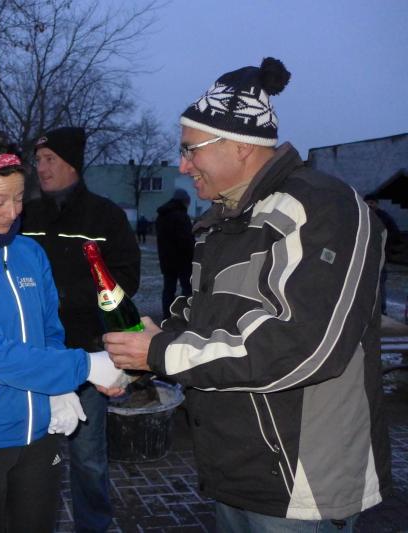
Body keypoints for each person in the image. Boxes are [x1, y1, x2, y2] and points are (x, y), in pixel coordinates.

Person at [103, 58, 391, 532]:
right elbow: (199, 319)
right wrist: (142, 351)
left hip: (302, 482)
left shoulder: (324, 207)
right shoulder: (222, 221)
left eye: (190, 149)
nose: (183, 165)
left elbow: (304, 347)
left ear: (238, 145)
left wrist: (160, 352)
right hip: (233, 467)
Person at [0, 130, 128, 532]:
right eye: (0, 201)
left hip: (40, 434)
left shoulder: (30, 253)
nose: (12, 212)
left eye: (19, 198)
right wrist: (85, 367)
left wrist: (59, 390)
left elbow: (50, 331)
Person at [22, 126, 140, 532]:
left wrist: (67, 295)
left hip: (86, 355)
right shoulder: (26, 215)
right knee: (34, 453)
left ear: (72, 163)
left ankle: (94, 525)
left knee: (88, 458)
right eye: (38, 160)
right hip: (35, 356)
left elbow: (126, 279)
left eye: (49, 159)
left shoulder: (106, 216)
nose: (41, 168)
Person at [155, 188, 194, 319]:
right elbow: (186, 240)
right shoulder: (181, 216)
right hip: (183, 260)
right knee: (187, 288)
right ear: (183, 201)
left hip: (166, 259)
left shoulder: (162, 215)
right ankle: (185, 314)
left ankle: (166, 315)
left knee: (168, 289)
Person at [364, 193, 401, 314]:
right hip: (363, 255)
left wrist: (383, 241)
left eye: (372, 202)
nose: (370, 204)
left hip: (380, 255)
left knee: (380, 282)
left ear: (377, 204)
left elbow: (395, 233)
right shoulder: (361, 215)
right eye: (368, 202)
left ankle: (381, 309)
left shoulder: (384, 217)